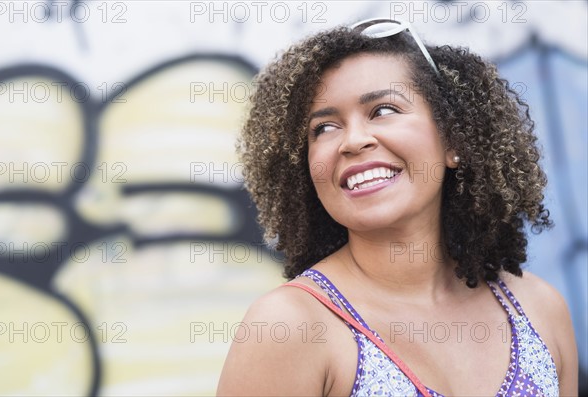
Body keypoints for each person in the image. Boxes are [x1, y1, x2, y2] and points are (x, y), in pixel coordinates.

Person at [217, 18, 578, 396]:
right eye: (324, 128)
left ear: (454, 140)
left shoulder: (537, 308)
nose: (353, 141)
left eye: (383, 110)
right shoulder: (290, 327)